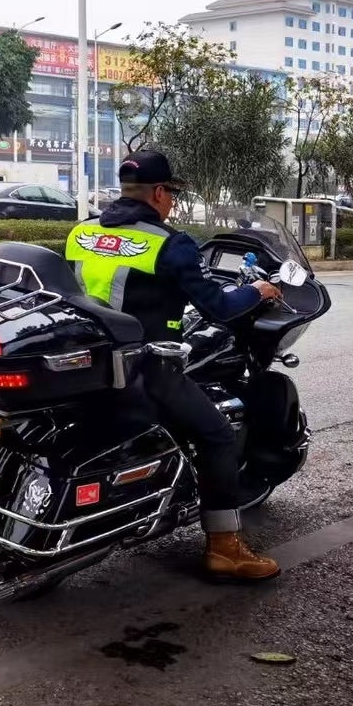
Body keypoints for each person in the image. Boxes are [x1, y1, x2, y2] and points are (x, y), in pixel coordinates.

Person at [65, 150, 283, 582]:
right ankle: (225, 547)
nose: (174, 204)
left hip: (89, 363)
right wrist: (258, 291)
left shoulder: (82, 231)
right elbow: (218, 307)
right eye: (172, 194)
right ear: (160, 193)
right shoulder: (170, 243)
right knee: (217, 433)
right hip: (146, 368)